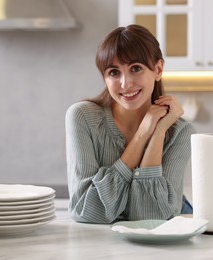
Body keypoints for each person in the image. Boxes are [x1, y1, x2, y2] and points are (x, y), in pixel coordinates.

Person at [65, 24, 195, 224]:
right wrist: (142, 134)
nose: (125, 84)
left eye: (136, 68)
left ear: (158, 69)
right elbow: (87, 211)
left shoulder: (180, 132)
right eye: (114, 72)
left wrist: (159, 130)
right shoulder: (82, 117)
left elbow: (151, 217)